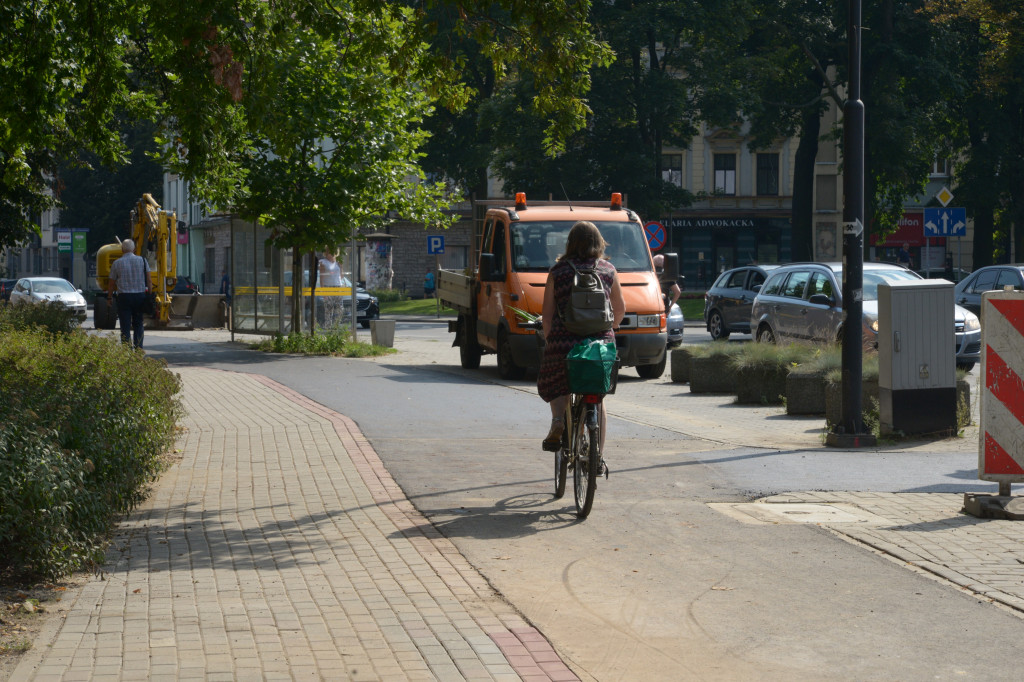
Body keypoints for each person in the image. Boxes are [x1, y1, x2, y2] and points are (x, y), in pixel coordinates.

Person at [538, 221, 626, 453]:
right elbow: (619, 311)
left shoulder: (558, 272)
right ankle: (597, 455)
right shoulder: (608, 270)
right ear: (599, 243)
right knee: (598, 395)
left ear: (570, 243)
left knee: (558, 384)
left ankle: (558, 422)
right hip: (600, 344)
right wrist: (608, 330)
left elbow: (547, 315)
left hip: (564, 342)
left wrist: (552, 341)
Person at [106, 239, 151, 349]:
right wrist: (149, 295)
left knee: (125, 325)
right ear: (134, 249)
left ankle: (126, 350)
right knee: (138, 324)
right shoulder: (143, 261)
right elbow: (149, 280)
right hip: (139, 296)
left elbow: (111, 283)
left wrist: (109, 297)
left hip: (124, 297)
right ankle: (138, 348)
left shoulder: (117, 263)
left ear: (122, 250)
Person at [319, 249, 343, 327]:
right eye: (329, 252)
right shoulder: (323, 262)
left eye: (333, 253)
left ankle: (337, 326)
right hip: (328, 287)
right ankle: (328, 327)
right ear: (326, 253)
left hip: (338, 287)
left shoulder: (337, 263)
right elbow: (321, 277)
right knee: (329, 308)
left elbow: (341, 276)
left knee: (340, 308)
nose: (331, 254)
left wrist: (341, 267)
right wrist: (323, 292)